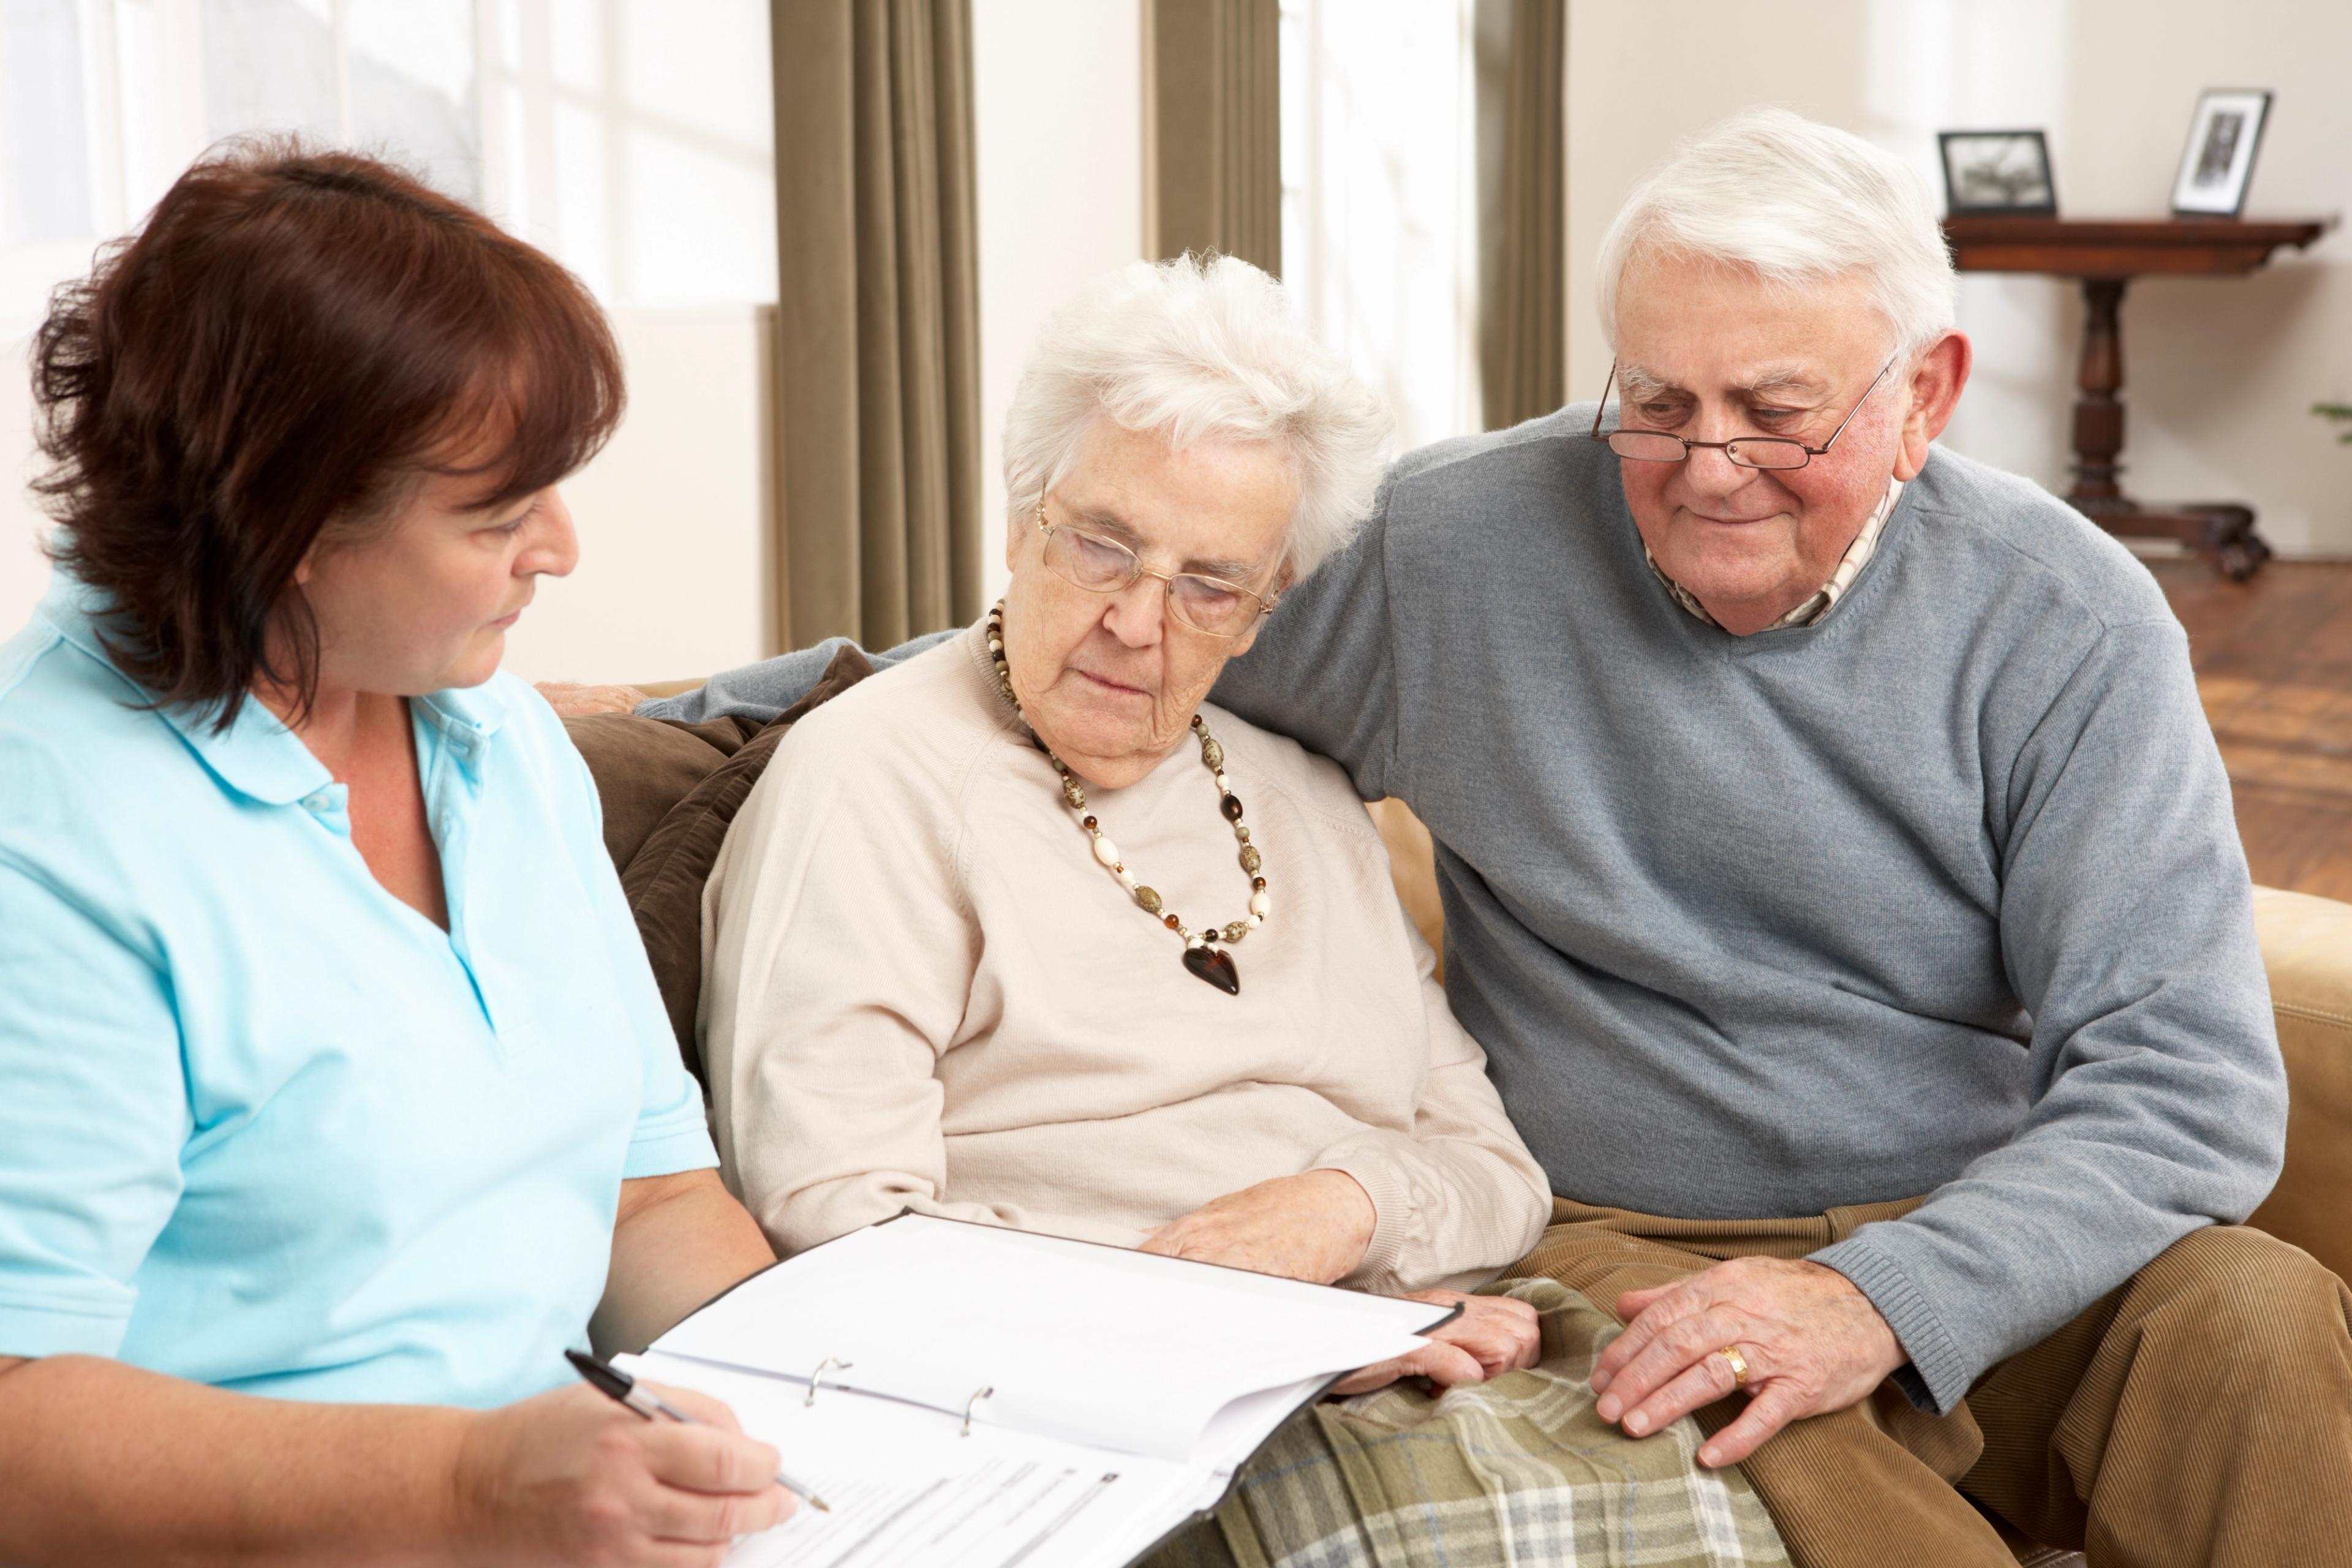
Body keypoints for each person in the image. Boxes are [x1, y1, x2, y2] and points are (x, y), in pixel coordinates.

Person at [597, 110, 2352, 1566]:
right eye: (1657, 401)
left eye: (1776, 409)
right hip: (1609, 1232)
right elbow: (1126, 613)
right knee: (1745, 1434)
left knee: (2259, 1328)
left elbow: (2186, 1089)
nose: (1707, 461)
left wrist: (1884, 1296)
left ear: (1928, 393)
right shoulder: (1463, 548)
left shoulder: (2067, 620)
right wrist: (695, 714)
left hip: (1979, 1217)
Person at [700, 255, 1790, 1567]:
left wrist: (1347, 1211)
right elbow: (837, 1225)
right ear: (1018, 523)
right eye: (1101, 543)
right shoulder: (870, 781)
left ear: (1272, 605)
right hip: (1081, 1404)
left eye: (1211, 582)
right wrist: (1231, 1325)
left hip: (1380, 1340)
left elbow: (1496, 1173)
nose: (1135, 622)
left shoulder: (1305, 797)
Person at [0, 145, 796, 1566]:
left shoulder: (491, 734)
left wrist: (831, 1419)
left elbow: (649, 1195)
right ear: (288, 522)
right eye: (496, 513)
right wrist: (467, 1487)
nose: (559, 548)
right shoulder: (51, 833)